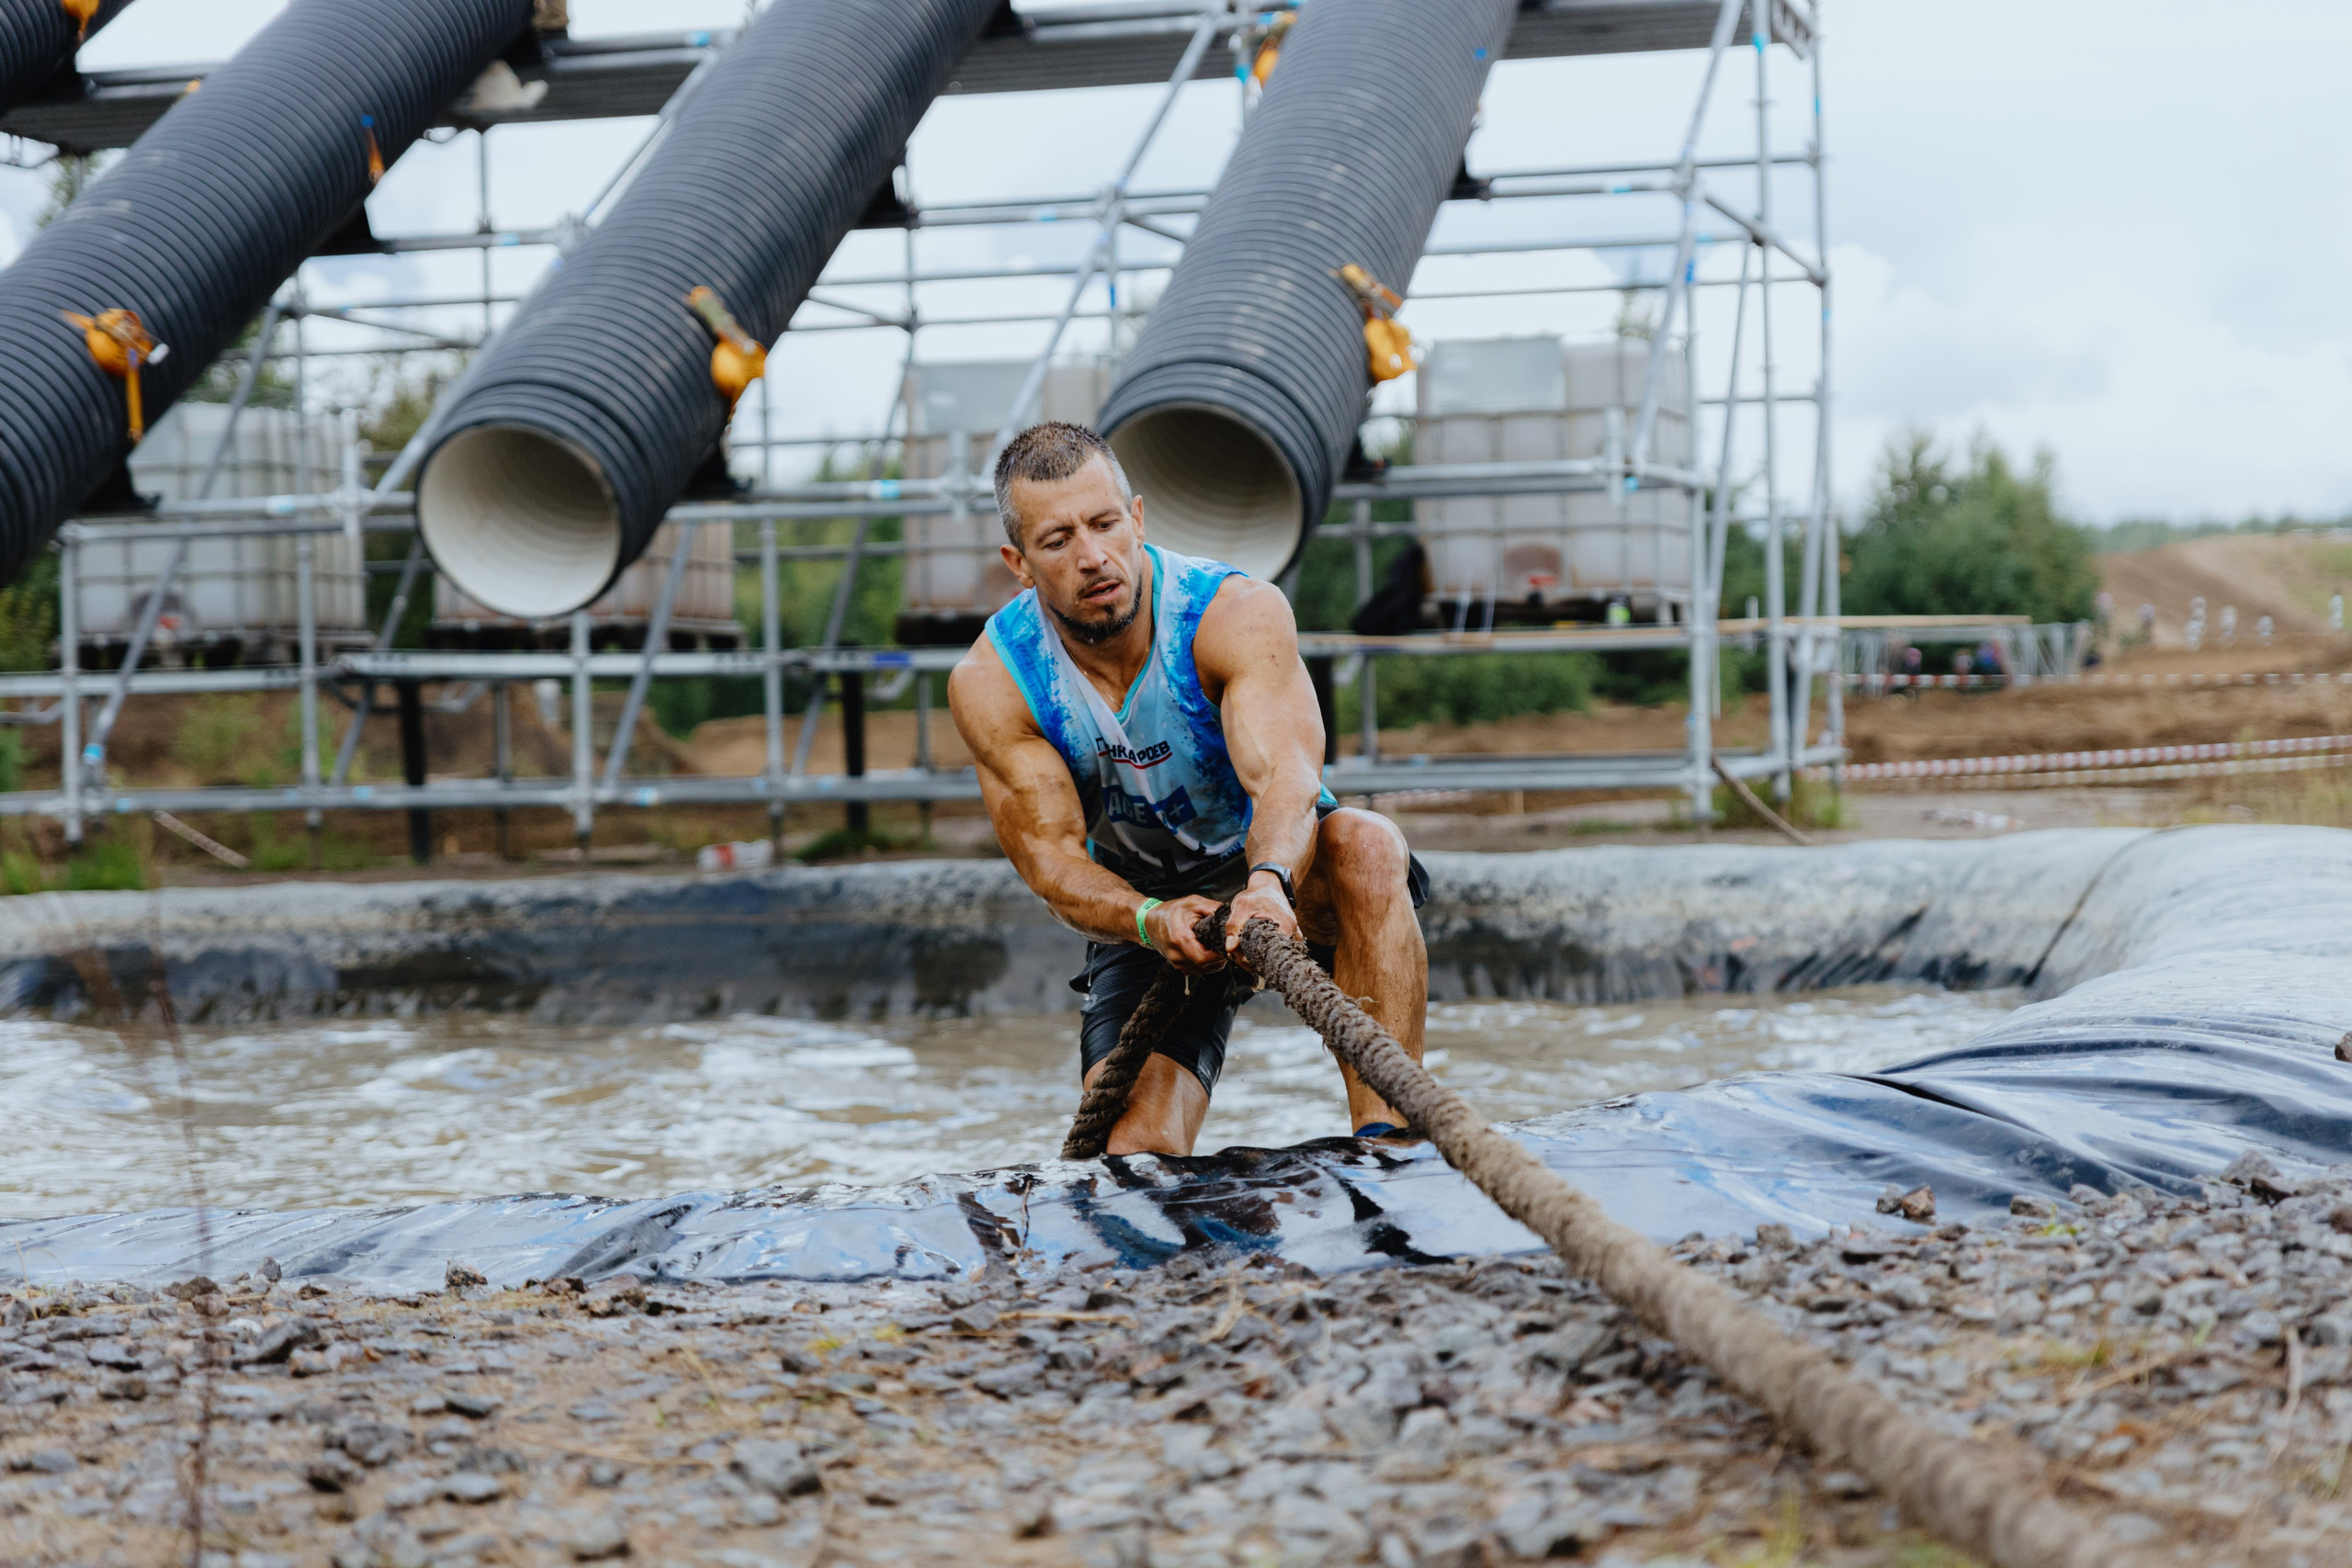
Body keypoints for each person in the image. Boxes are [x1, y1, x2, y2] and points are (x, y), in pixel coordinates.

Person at [949, 423, 1430, 1157]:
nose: (1093, 557)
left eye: (1106, 524)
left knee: (1366, 842)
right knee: (1131, 1163)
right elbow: (1050, 863)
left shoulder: (1231, 613)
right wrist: (1149, 919)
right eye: (1058, 540)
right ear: (1018, 563)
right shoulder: (995, 682)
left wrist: (1267, 884)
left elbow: (1288, 777)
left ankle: (1391, 1151)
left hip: (1280, 867)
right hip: (1151, 908)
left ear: (1136, 517)